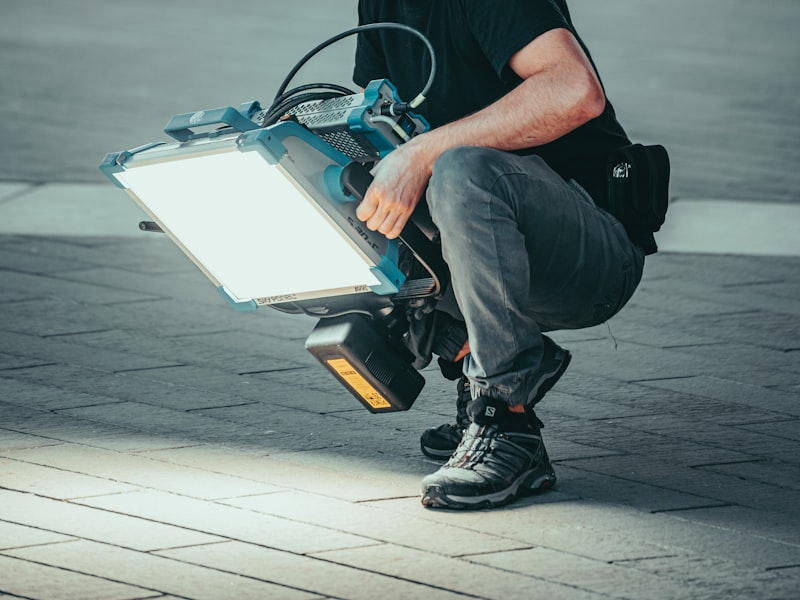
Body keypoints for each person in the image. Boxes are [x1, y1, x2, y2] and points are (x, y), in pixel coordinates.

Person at [353, 1, 647, 509]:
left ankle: (508, 420)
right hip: (493, 242)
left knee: (459, 169)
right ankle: (471, 356)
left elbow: (576, 91)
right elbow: (376, 120)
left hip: (591, 253)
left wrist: (422, 153)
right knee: (346, 187)